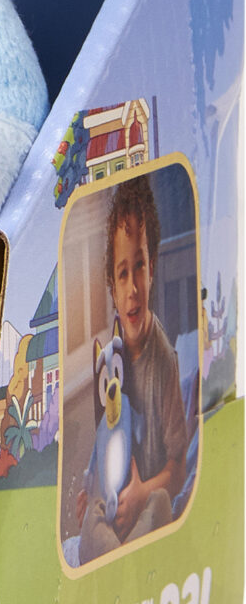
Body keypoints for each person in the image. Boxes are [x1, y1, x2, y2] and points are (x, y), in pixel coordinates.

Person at [76, 174, 189, 562]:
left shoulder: (165, 362)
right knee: (90, 523)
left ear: (152, 268)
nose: (133, 289)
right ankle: (115, 552)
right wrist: (89, 490)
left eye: (139, 267)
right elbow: (104, 440)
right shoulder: (109, 361)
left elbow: (179, 466)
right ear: (112, 286)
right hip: (113, 506)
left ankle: (125, 555)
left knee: (161, 505)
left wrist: (142, 494)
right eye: (123, 274)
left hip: (144, 504)